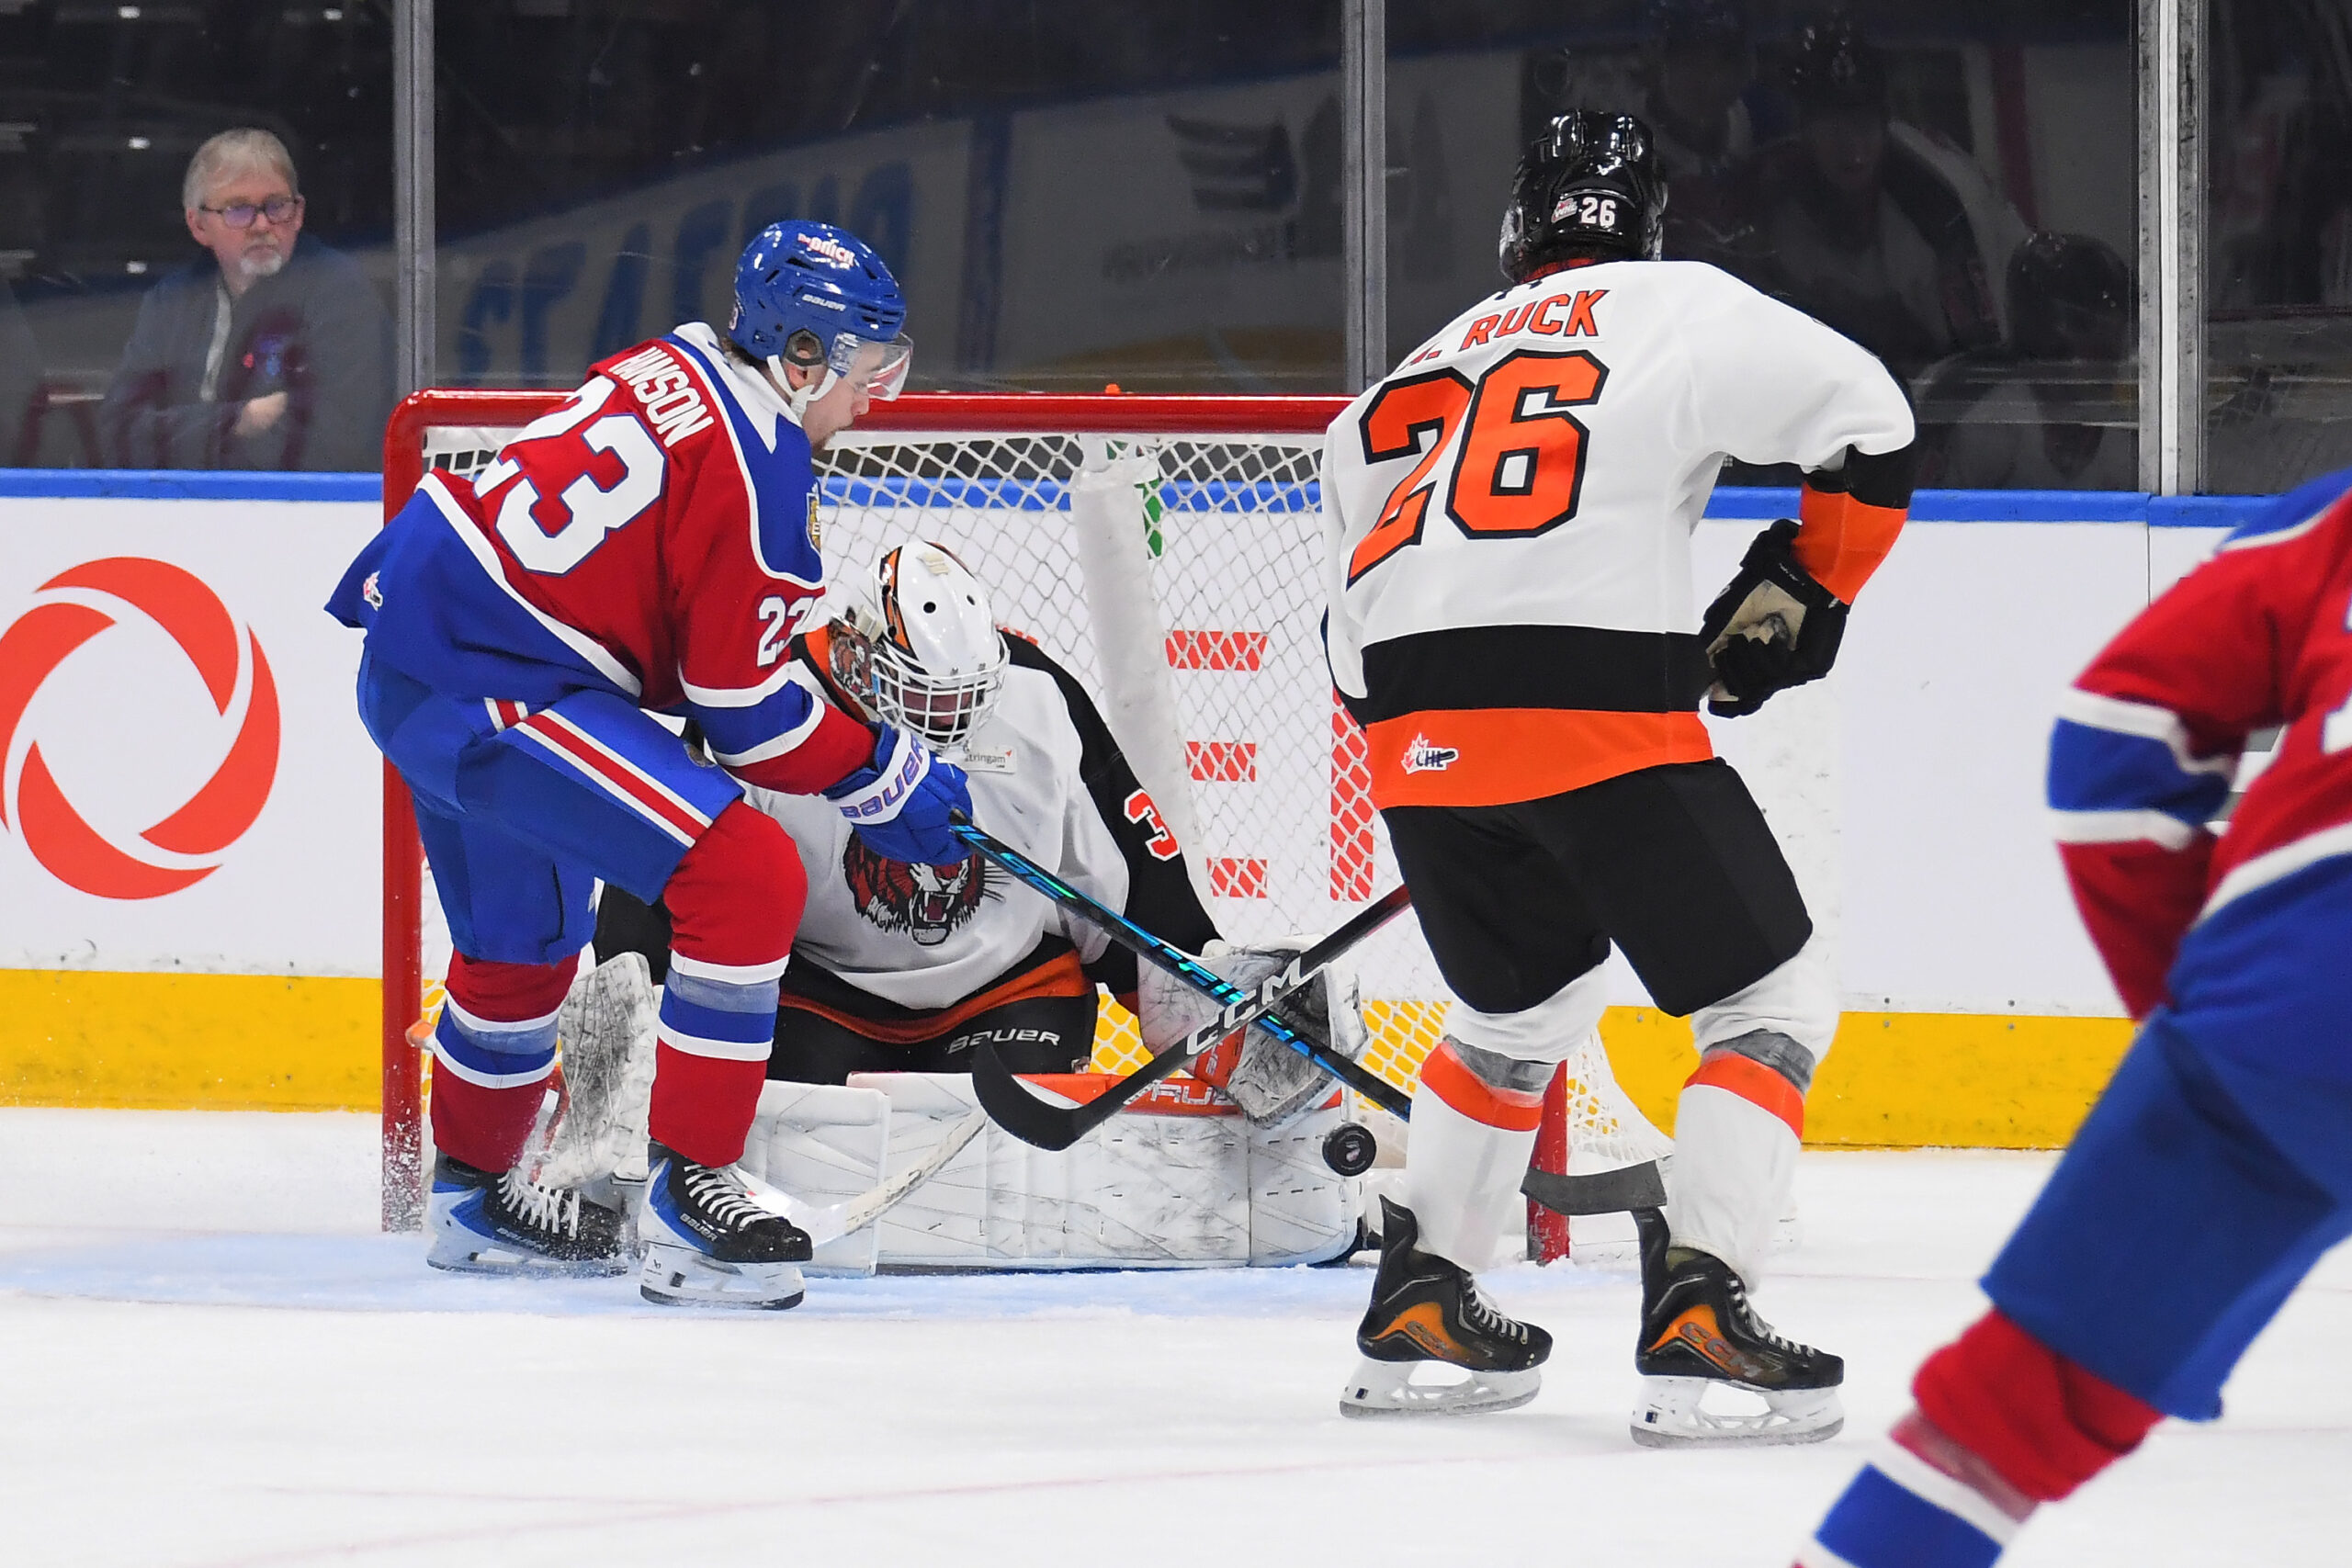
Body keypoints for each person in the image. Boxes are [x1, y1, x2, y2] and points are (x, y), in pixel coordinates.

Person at [1319, 111, 1917, 1438]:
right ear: (1641, 226)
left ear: (1516, 226)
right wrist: (1807, 588)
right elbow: (1872, 422)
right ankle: (1703, 1306)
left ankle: (1422, 1292)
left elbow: (1344, 641)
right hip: (1594, 710)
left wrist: (1443, 751)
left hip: (1408, 737)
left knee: (1515, 1010)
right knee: (1768, 999)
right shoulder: (1675, 303)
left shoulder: (1392, 387)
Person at [326, 220, 969, 1311]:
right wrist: (883, 775)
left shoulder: (674, 359)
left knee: (522, 941)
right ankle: (692, 1200)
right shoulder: (762, 464)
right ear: (799, 358)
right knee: (746, 875)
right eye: (868, 365)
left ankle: (472, 1201)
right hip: (496, 684)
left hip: (422, 661)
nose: (878, 393)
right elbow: (744, 718)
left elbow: (672, 628)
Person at [1794, 468, 2352, 1564]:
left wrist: (2197, 1015)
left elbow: (2113, 741)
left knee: (2008, 1415)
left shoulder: (2335, 519)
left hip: (2294, 1007)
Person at [595, 539, 1265, 1099]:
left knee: (1002, 1155)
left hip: (1007, 992)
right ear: (857, 661)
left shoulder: (1038, 697)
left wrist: (1213, 1013)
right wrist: (630, 1031)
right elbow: (669, 869)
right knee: (796, 1141)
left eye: (966, 698)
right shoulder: (766, 707)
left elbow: (1134, 881)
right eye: (924, 696)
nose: (951, 721)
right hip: (821, 995)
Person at [1738, 17, 2026, 383]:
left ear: (1884, 124)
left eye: (1863, 125)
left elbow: (1981, 372)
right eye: (1833, 126)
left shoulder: (1935, 207)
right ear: (1804, 129)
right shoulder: (1766, 191)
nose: (1852, 147)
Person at [101, 128, 392, 471]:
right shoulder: (171, 301)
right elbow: (118, 436)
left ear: (298, 214)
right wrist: (239, 419)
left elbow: (336, 446)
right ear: (198, 225)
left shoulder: (340, 293)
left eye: (277, 206)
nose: (262, 225)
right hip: (178, 502)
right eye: (238, 210)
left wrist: (184, 435)